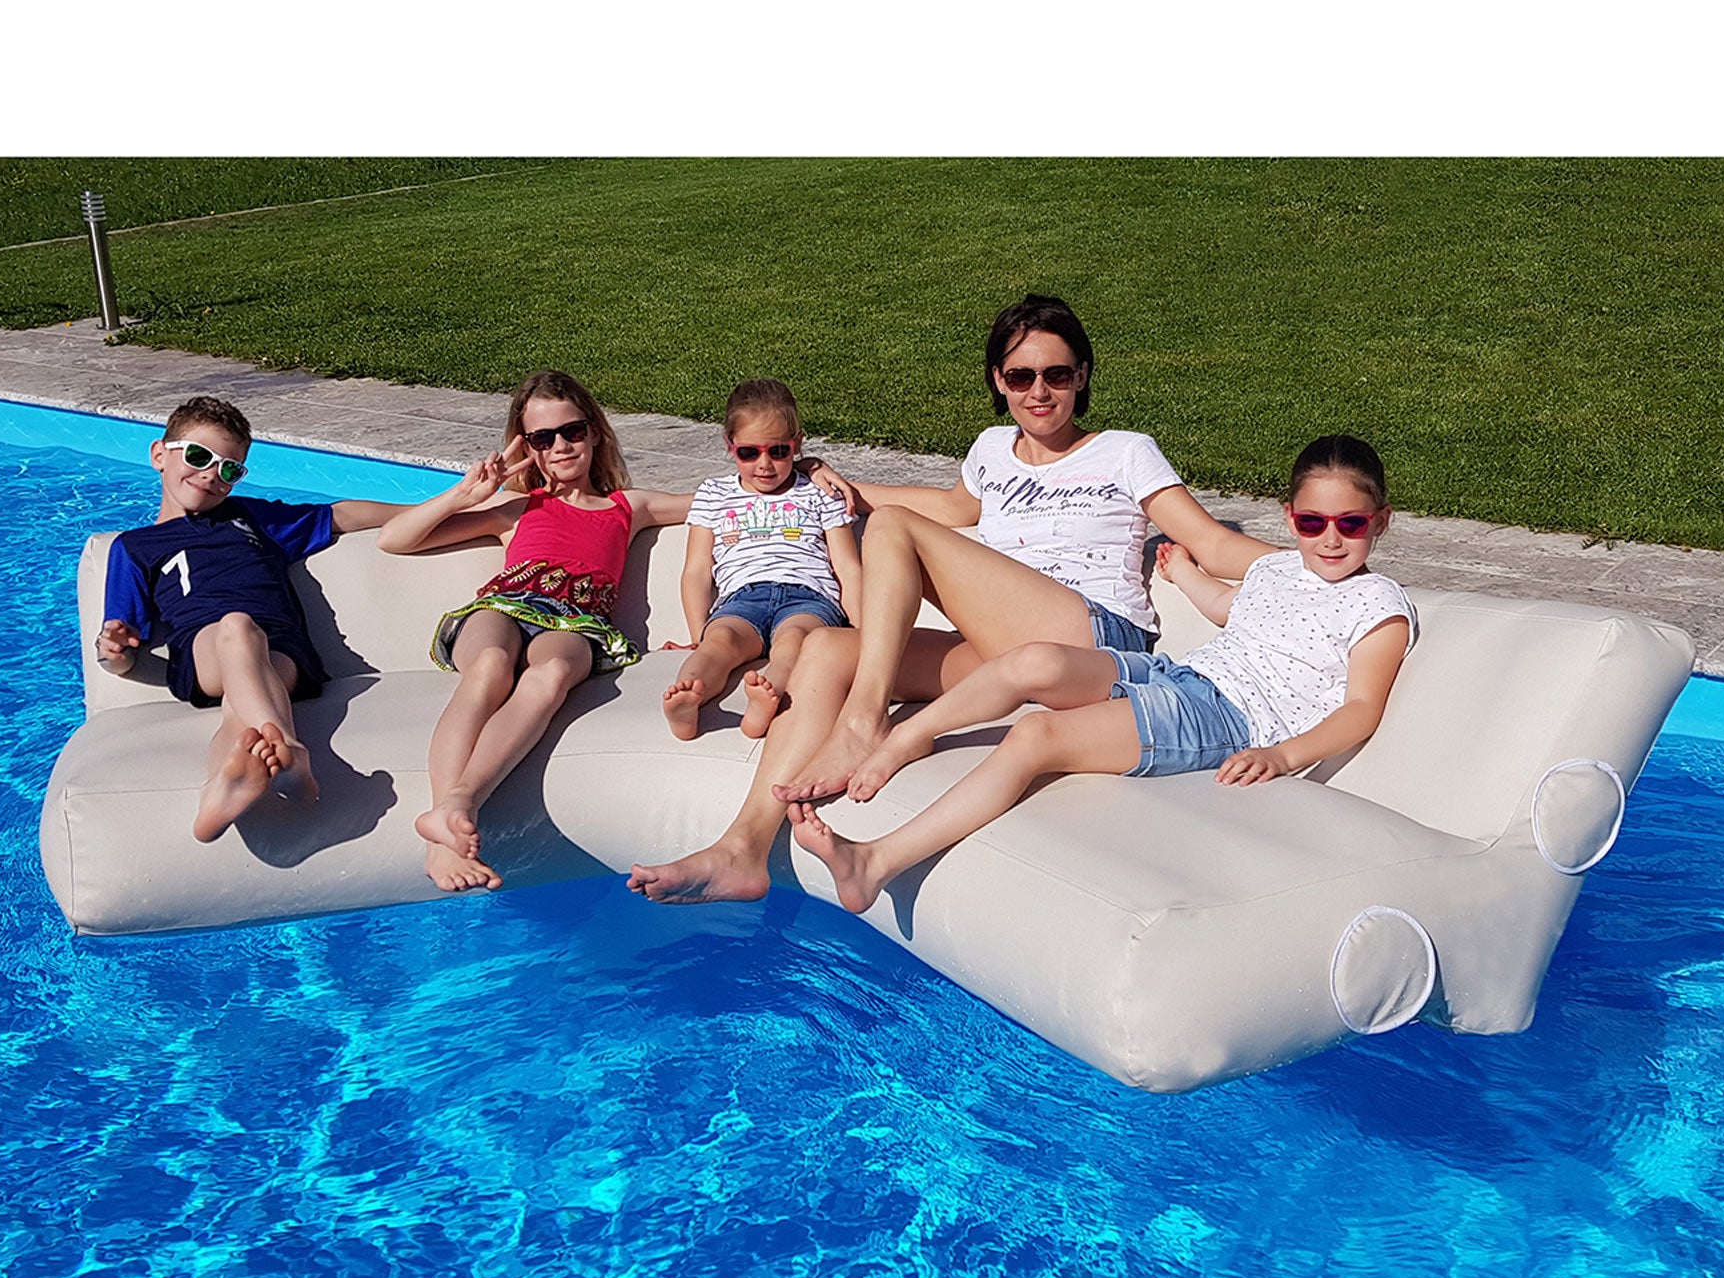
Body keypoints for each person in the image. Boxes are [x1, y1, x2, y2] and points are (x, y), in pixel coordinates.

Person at [627, 292, 1260, 903]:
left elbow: (1209, 540)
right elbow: (950, 509)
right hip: (1001, 651)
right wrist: (830, 479)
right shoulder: (992, 449)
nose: (1039, 392)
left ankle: (864, 721)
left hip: (1092, 641)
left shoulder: (1125, 451)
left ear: (1083, 376)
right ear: (999, 380)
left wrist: (1303, 552)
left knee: (893, 532)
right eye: (1021, 377)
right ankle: (742, 848)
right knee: (824, 648)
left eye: (1057, 375)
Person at [787, 434, 1417, 912]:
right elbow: (1233, 608)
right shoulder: (1278, 568)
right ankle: (901, 737)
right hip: (1178, 674)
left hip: (1225, 719)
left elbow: (1361, 709)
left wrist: (1283, 755)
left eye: (1351, 524)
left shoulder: (1378, 604)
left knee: (1036, 736)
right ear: (1290, 517)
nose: (1330, 539)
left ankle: (875, 862)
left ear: (1382, 521)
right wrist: (1184, 574)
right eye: (1312, 522)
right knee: (1033, 660)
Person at [378, 368, 690, 893]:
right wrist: (464, 495)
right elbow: (394, 538)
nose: (561, 446)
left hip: (577, 619)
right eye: (543, 439)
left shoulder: (627, 506)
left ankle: (460, 802)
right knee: (489, 667)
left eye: (572, 431)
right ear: (527, 448)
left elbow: (724, 499)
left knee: (552, 673)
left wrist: (805, 470)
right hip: (505, 606)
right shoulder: (518, 508)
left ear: (595, 432)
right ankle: (441, 839)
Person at [96, 395, 402, 843]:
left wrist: (438, 508)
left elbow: (340, 515)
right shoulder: (134, 547)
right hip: (203, 654)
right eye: (198, 456)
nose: (210, 474)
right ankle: (289, 750)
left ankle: (221, 788)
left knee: (239, 713)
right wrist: (114, 650)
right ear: (160, 454)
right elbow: (118, 656)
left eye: (229, 470)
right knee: (235, 628)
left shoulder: (249, 518)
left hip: (283, 652)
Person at [663, 378, 863, 741]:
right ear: (729, 444)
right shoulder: (713, 494)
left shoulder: (819, 492)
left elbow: (848, 567)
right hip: (742, 597)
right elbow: (697, 570)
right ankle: (689, 696)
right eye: (749, 453)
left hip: (808, 598)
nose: (765, 464)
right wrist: (698, 633)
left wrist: (861, 628)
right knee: (719, 641)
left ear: (797, 443)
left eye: (779, 451)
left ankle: (768, 695)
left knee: (795, 641)